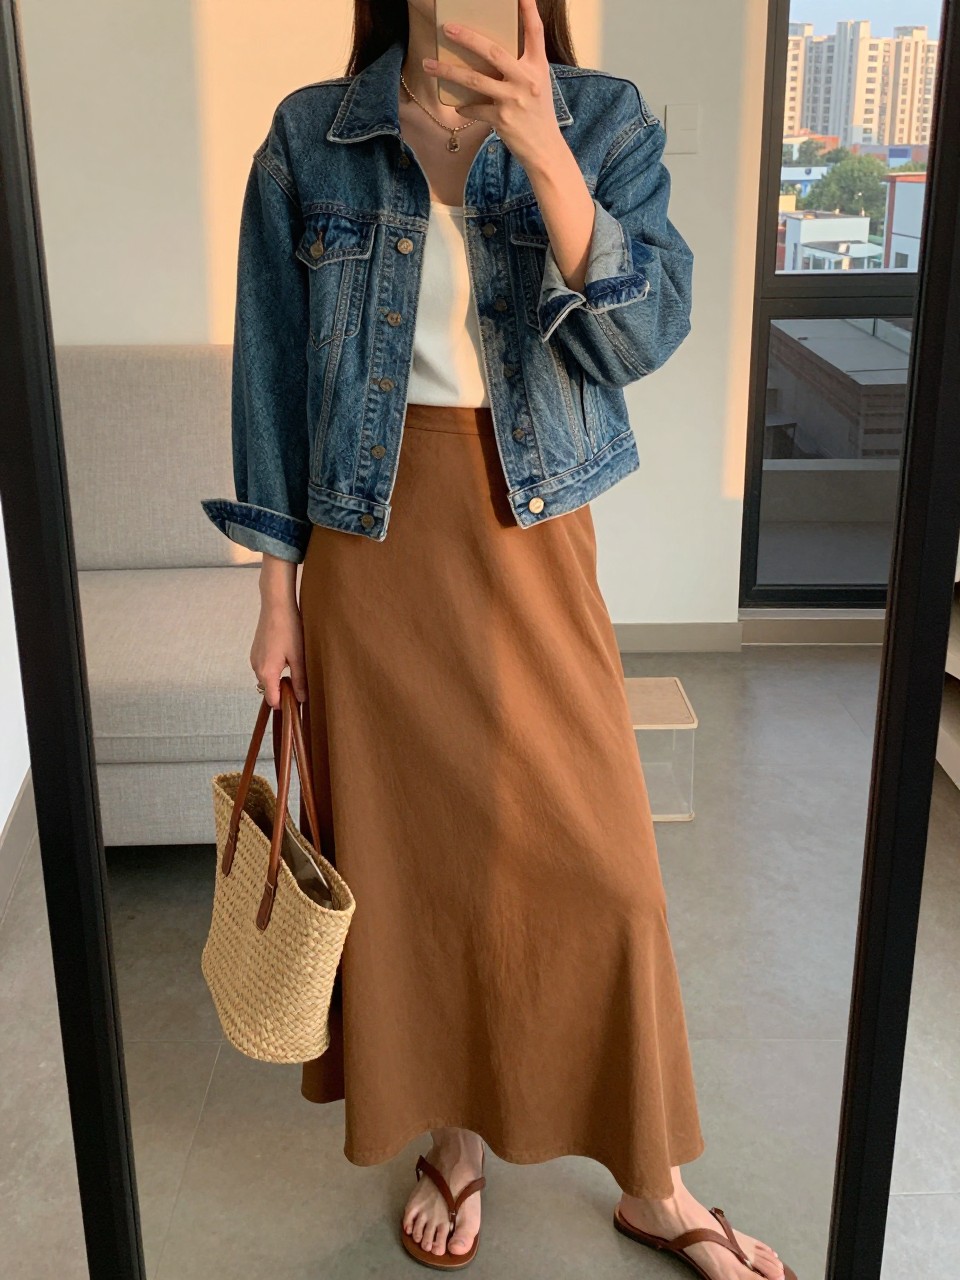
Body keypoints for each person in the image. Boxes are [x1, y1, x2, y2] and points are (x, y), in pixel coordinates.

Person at [201, 1, 793, 1276]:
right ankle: (455, 1144)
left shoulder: (602, 117)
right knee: (417, 869)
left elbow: (645, 335)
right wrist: (272, 599)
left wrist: (544, 145)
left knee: (608, 871)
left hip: (527, 532)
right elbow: (270, 377)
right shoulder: (314, 135)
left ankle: (656, 1180)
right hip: (370, 548)